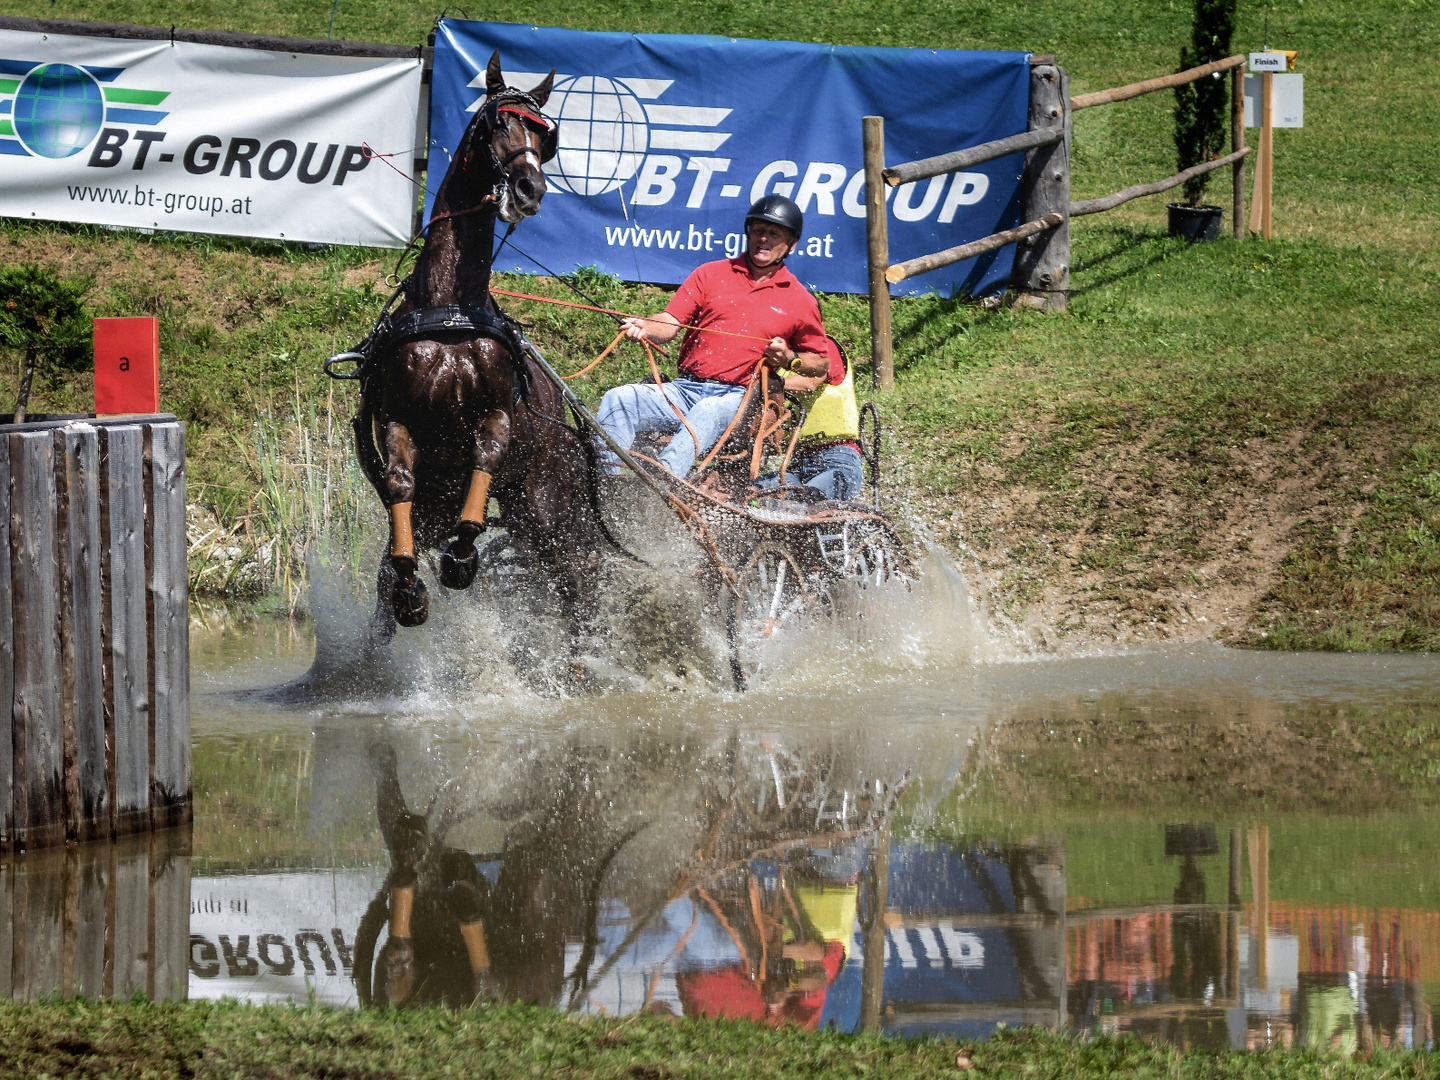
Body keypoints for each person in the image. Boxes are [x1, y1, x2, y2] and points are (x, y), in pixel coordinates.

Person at [596, 196, 831, 478]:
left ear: (791, 243)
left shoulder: (800, 299)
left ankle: (662, 483)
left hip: (740, 400)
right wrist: (645, 326)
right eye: (758, 231)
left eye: (774, 234)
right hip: (684, 389)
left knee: (707, 409)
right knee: (618, 398)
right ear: (748, 233)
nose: (763, 239)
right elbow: (669, 323)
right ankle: (607, 482)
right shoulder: (710, 274)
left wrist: (790, 359)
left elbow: (819, 363)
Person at [764, 337, 867, 502]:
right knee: (754, 492)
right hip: (797, 464)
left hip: (837, 458)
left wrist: (772, 384)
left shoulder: (823, 349)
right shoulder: (779, 367)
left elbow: (810, 383)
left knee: (809, 501)